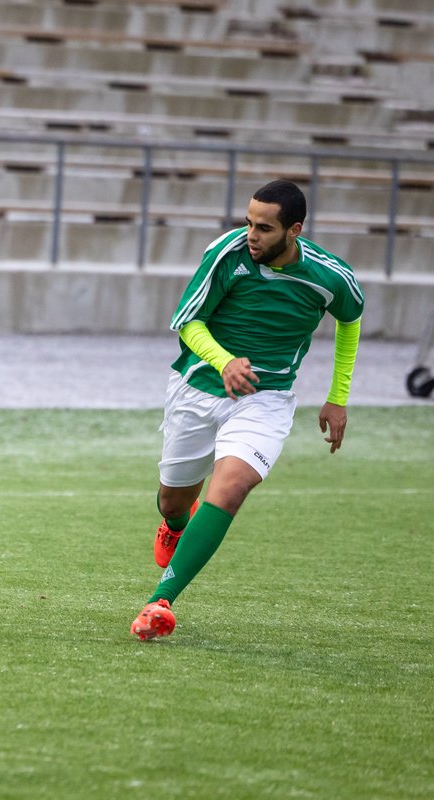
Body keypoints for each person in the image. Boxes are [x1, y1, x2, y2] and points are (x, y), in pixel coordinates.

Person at [131, 179, 364, 640]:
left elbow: (350, 320)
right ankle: (176, 525)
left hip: (267, 398)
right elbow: (187, 324)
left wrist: (339, 396)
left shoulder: (331, 276)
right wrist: (224, 361)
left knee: (232, 485)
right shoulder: (227, 254)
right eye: (248, 222)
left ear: (294, 230)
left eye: (264, 227)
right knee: (173, 500)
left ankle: (160, 601)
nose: (251, 234)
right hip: (198, 387)